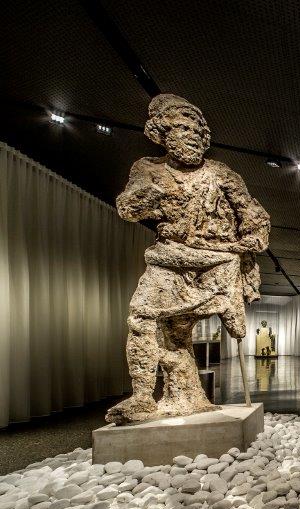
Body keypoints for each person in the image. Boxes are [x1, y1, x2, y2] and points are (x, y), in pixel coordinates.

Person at [106, 94, 270, 424]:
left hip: (217, 262)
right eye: (183, 128)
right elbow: (128, 208)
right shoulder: (148, 170)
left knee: (187, 328)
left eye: (198, 131)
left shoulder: (221, 174)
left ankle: (183, 394)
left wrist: (244, 245)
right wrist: (150, 193)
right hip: (169, 258)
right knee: (141, 315)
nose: (192, 136)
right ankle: (144, 397)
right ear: (162, 134)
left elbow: (255, 216)